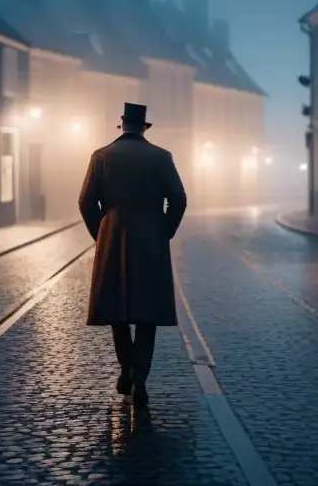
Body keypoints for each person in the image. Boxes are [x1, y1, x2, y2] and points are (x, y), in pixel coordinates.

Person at [78, 102, 188, 407]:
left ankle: (126, 366)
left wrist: (100, 234)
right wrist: (164, 230)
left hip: (113, 239)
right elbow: (179, 199)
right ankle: (140, 379)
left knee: (118, 311)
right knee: (147, 314)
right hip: (151, 240)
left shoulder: (100, 157)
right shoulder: (162, 157)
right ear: (144, 128)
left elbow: (86, 202)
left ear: (121, 125)